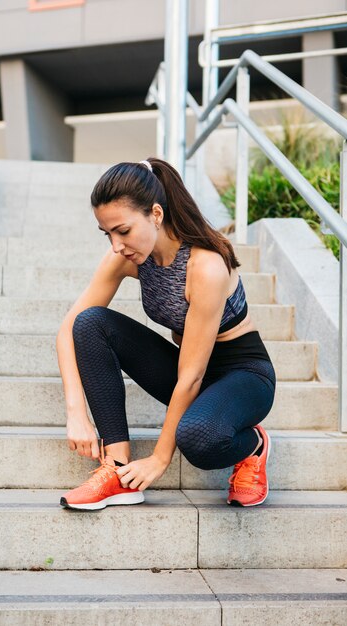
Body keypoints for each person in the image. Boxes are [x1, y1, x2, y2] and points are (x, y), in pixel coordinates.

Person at [56, 157, 276, 511]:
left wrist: (159, 459)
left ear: (155, 214)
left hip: (243, 375)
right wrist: (75, 411)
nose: (115, 245)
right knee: (90, 323)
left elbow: (192, 376)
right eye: (107, 233)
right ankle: (116, 467)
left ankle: (254, 445)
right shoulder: (126, 256)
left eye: (123, 231)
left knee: (197, 439)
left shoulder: (205, 266)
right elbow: (68, 328)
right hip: (187, 367)